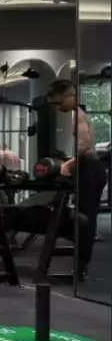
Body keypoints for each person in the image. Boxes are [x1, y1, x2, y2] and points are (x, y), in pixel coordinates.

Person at [47, 80, 107, 278]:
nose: (57, 108)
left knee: (85, 219)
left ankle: (81, 266)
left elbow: (84, 146)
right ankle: (81, 263)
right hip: (89, 167)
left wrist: (68, 165)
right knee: (82, 216)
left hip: (90, 168)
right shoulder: (77, 114)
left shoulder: (78, 116)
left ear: (71, 95)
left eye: (59, 103)